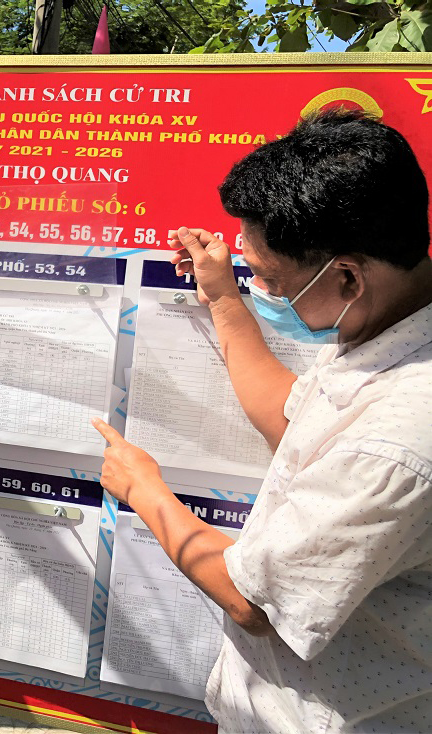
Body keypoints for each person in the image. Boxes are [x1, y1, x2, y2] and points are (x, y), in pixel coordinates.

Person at [92, 109, 431, 732]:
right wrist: (224, 297)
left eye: (271, 280)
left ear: (349, 275)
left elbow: (252, 599)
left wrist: (142, 487)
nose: (264, 289)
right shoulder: (392, 334)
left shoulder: (399, 440)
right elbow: (292, 418)